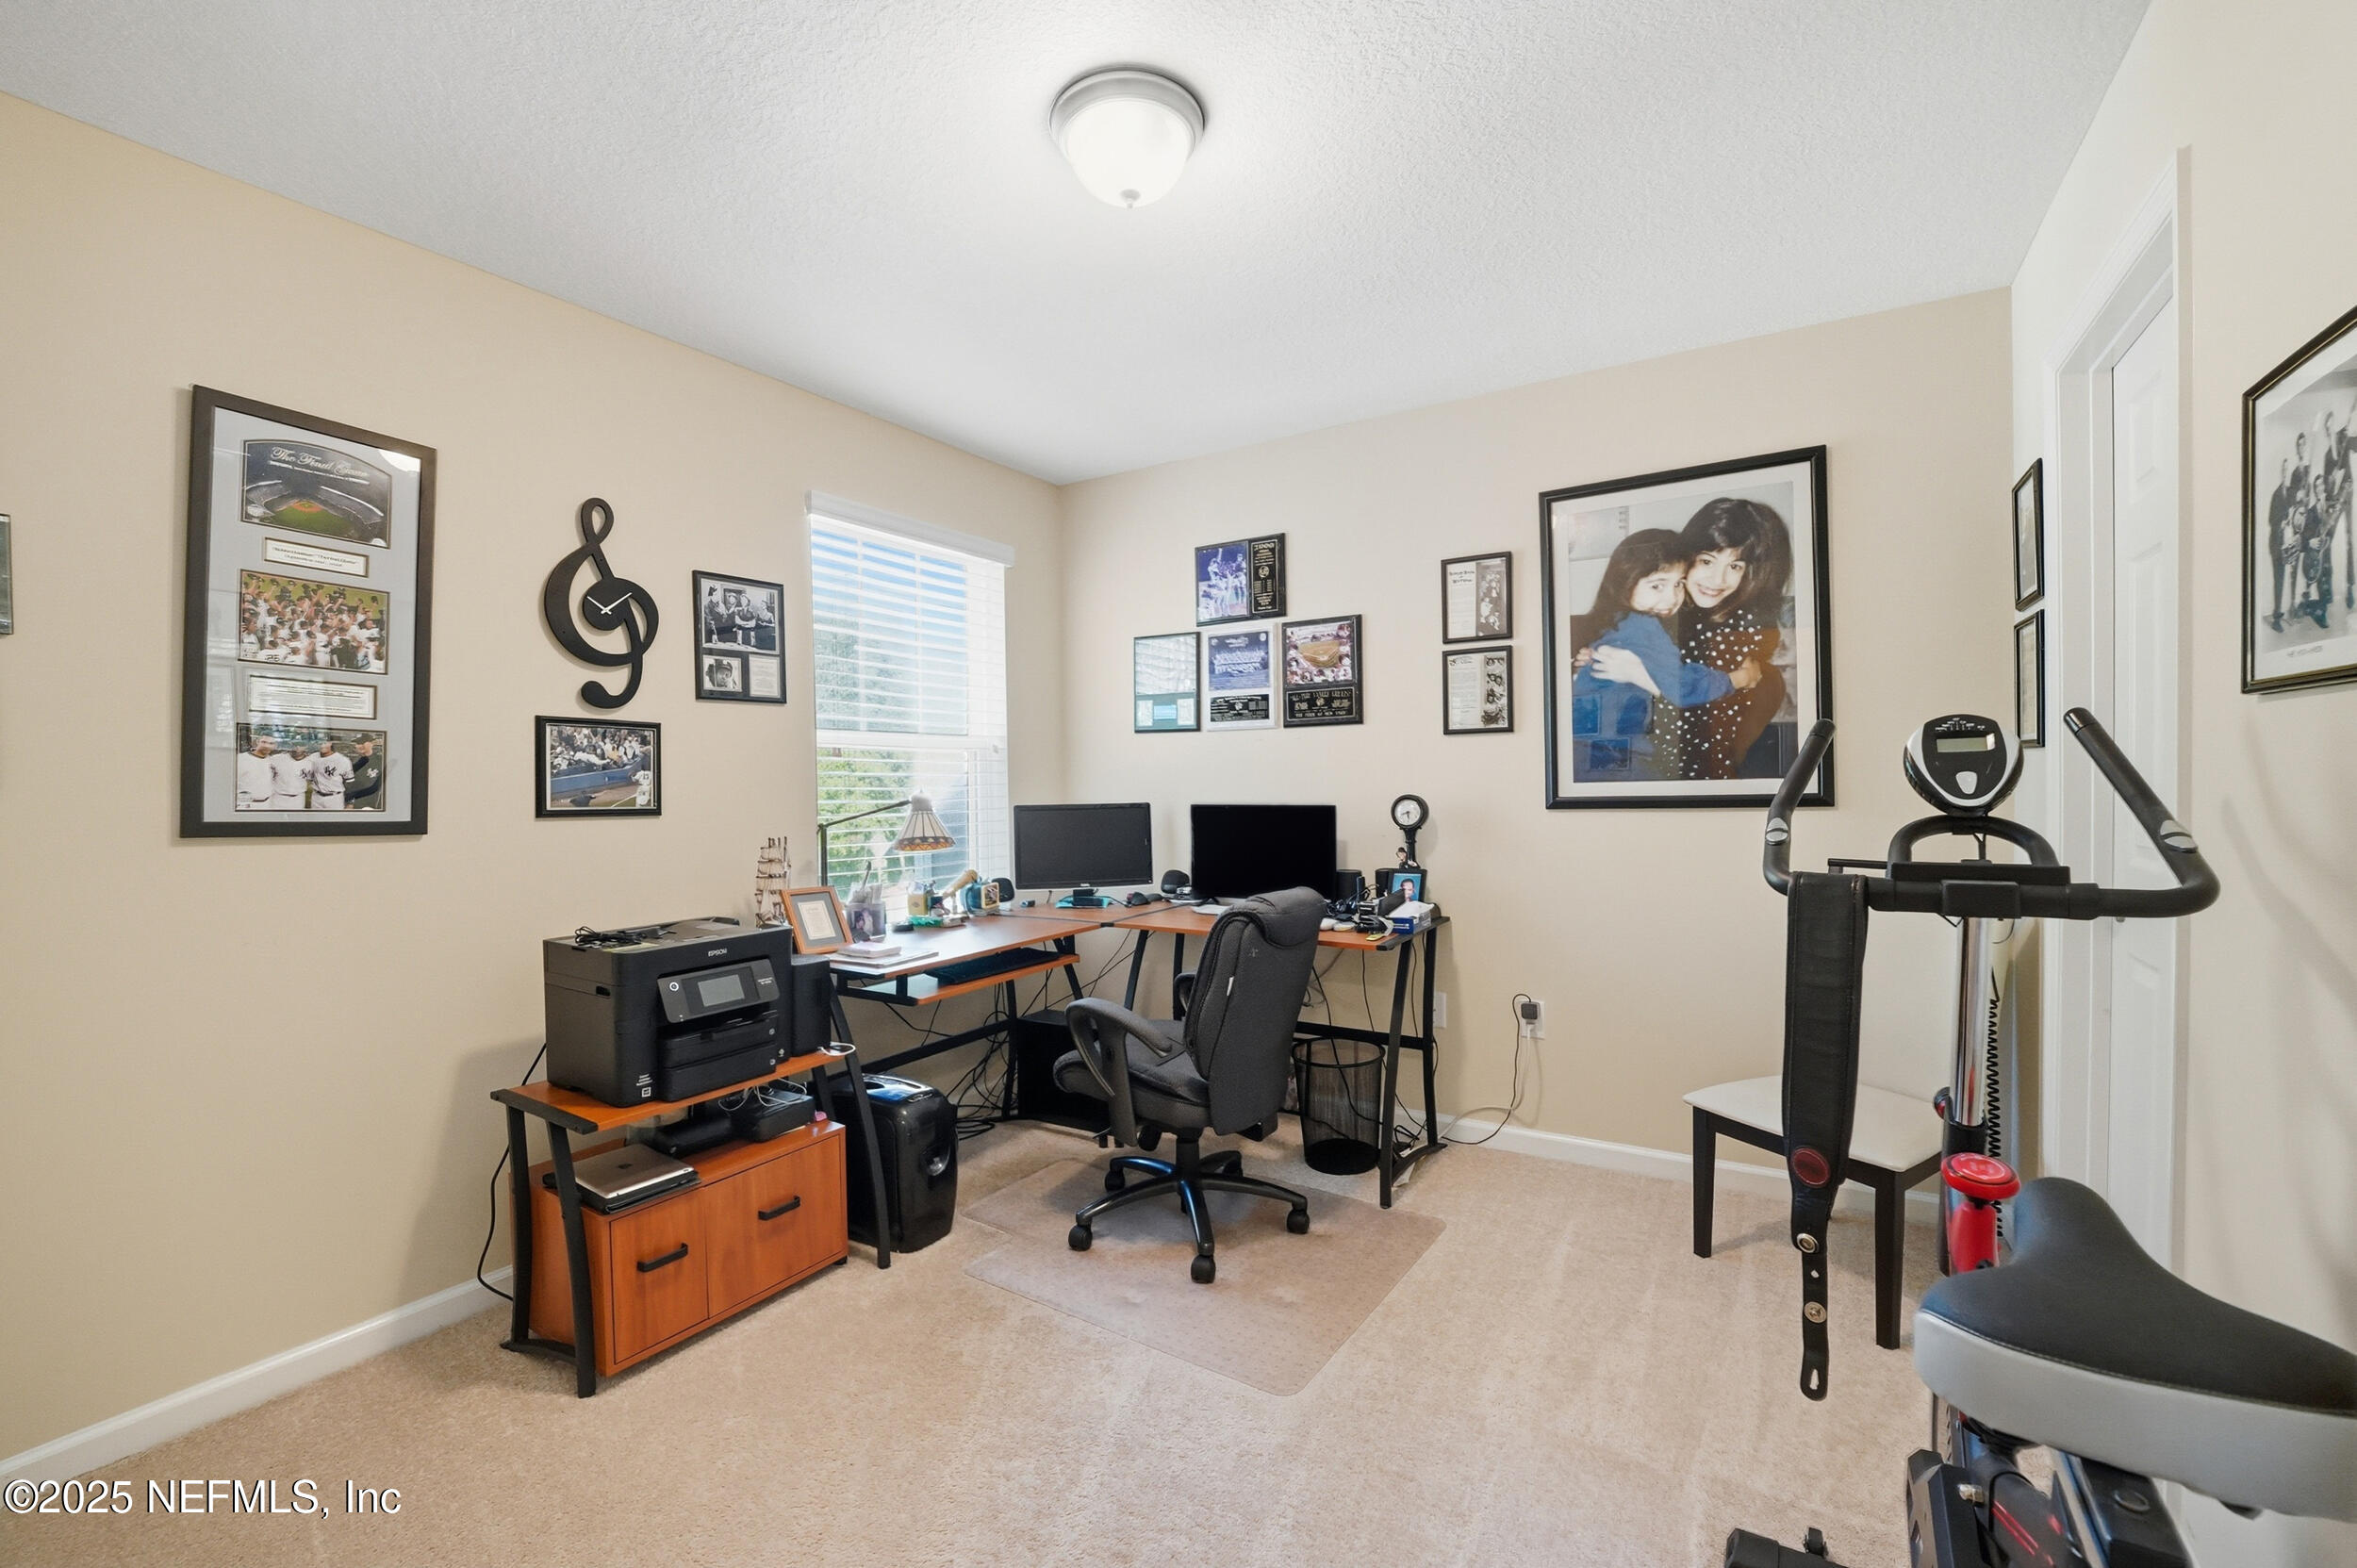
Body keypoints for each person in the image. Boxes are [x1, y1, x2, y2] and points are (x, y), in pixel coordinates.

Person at [1565, 528, 1758, 781]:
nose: (1672, 597)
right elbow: (1683, 686)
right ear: (1625, 583)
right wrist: (1737, 679)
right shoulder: (1643, 628)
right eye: (1657, 585)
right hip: (1617, 760)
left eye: (1679, 583)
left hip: (1583, 755)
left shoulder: (1615, 622)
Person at [1671, 497, 1794, 781]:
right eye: (1706, 561)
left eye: (1735, 566)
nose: (1717, 579)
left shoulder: (1739, 630)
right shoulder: (1669, 611)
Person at [2267, 455, 2298, 632]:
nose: (2286, 472)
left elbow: (2296, 514)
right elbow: (2271, 520)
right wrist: (2282, 523)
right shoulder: (2276, 494)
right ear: (2281, 472)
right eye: (2284, 469)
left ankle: (2292, 610)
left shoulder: (2292, 493)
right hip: (2277, 545)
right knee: (2278, 580)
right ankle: (2276, 618)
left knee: (2291, 576)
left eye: (2288, 469)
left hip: (2290, 544)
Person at [303, 738, 354, 810]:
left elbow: (350, 783)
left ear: (331, 743)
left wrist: (350, 802)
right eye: (320, 743)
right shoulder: (312, 757)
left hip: (335, 798)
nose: (322, 745)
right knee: (315, 820)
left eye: (325, 743)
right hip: (316, 797)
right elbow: (307, 776)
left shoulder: (343, 760)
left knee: (334, 820)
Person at [237, 733, 277, 810]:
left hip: (267, 803)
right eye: (264, 742)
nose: (267, 746)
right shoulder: (241, 759)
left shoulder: (272, 760)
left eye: (271, 743)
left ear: (274, 746)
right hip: (246, 804)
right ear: (257, 742)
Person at [267, 738, 309, 810]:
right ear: (290, 745)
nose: (297, 748)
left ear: (306, 747)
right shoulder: (277, 758)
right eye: (295, 745)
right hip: (278, 798)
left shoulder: (310, 761)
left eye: (301, 745)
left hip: (298, 798)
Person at [345, 737, 383, 810]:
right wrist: (350, 802)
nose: (359, 746)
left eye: (363, 743)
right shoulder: (354, 761)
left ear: (372, 744)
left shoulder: (380, 761)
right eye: (357, 743)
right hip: (354, 804)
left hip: (369, 805)